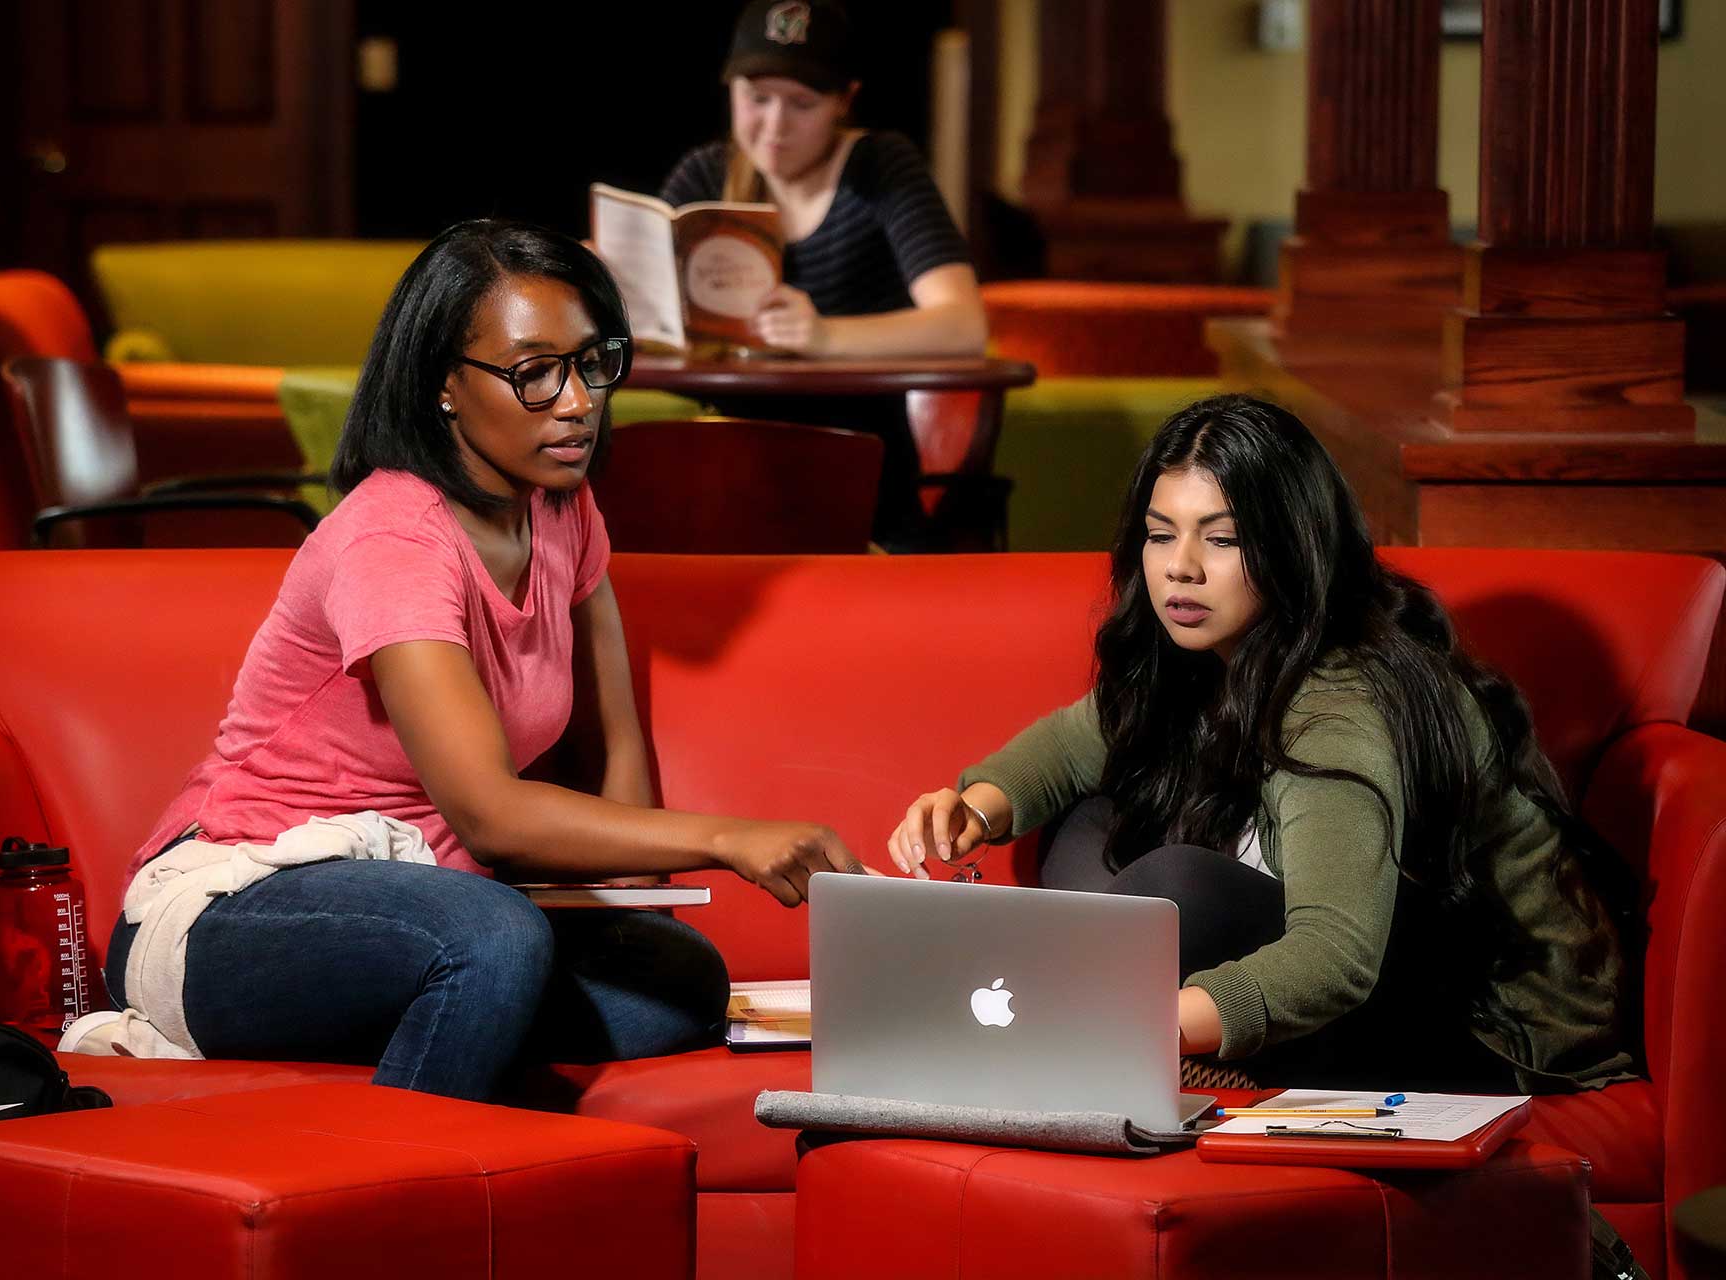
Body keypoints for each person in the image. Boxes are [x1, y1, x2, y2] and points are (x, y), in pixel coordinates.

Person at [97, 220, 867, 1102]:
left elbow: (613, 739)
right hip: (239, 910)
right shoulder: (395, 538)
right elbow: (491, 815)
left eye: (591, 363)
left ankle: (431, 1034)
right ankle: (396, 1184)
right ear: (443, 388)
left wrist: (637, 891)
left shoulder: (561, 509)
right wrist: (728, 837)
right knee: (494, 940)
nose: (577, 401)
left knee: (678, 980)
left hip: (426, 904)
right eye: (535, 373)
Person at [887, 395, 1636, 1094]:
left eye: (1223, 539)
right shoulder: (1204, 653)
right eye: (1159, 534)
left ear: (1292, 547)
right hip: (1361, 976)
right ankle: (1067, 1011)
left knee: (1179, 886)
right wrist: (971, 810)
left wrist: (1147, 1019)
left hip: (1479, 1029)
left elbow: (1336, 959)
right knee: (1090, 820)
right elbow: (1070, 746)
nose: (1181, 566)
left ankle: (1078, 1023)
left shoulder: (1338, 705)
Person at [659, 0, 987, 541]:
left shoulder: (880, 168)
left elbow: (964, 325)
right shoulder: (706, 177)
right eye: (756, 99)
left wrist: (825, 335)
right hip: (723, 477)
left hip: (862, 492)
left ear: (845, 102)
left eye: (802, 104)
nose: (774, 126)